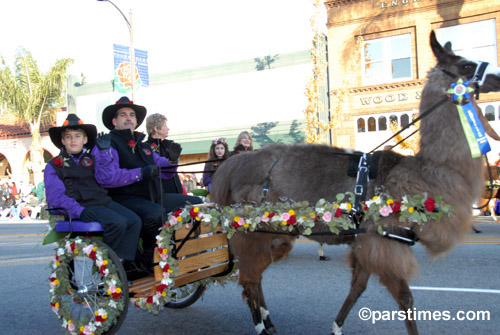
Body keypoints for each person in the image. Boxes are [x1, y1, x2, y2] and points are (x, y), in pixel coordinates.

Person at [93, 97, 203, 269]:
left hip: (150, 196)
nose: (128, 118)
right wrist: (140, 173)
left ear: (137, 121)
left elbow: (163, 171)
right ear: (114, 121)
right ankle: (148, 260)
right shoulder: (106, 143)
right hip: (122, 199)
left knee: (195, 203)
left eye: (132, 115)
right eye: (123, 115)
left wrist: (172, 161)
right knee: (156, 213)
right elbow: (107, 178)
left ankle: (184, 250)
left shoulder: (142, 146)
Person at [44, 114, 142, 264]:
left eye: (77, 136)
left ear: (84, 140)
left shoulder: (92, 159)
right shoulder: (54, 165)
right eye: (68, 137)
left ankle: (126, 264)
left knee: (134, 221)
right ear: (63, 141)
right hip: (82, 206)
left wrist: (104, 153)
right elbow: (56, 197)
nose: (73, 140)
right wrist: (79, 211)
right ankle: (108, 265)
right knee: (117, 223)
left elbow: (105, 178)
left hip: (102, 202)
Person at [144, 113, 184, 194]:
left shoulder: (170, 145)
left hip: (175, 188)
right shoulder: (146, 147)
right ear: (156, 128)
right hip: (160, 192)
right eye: (165, 125)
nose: (168, 128)